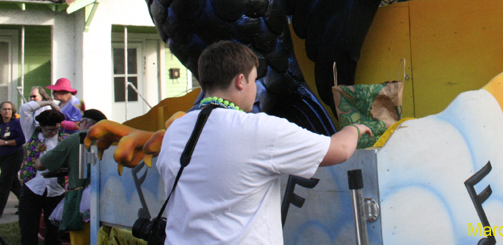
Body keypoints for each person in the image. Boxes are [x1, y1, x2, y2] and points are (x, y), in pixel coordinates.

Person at [156, 40, 372, 244]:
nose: (256, 89)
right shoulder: (257, 129)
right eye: (254, 80)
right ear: (241, 81)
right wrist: (353, 129)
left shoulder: (175, 131)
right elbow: (340, 149)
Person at [36, 109, 107, 245]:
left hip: (82, 200)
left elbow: (41, 164)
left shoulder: (76, 138)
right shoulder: (113, 138)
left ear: (84, 122)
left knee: (82, 239)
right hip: (111, 198)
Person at [18, 109, 67, 245]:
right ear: (41, 127)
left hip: (55, 189)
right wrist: (47, 103)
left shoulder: (64, 140)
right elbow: (25, 109)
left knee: (54, 232)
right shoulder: (31, 134)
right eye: (49, 130)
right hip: (32, 187)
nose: (53, 133)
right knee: (28, 230)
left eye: (56, 129)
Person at [0, 101, 25, 221]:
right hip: (3, 155)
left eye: (9, 109)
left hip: (15, 155)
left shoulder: (16, 123)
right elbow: (0, 139)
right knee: (13, 183)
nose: (7, 111)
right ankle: (26, 204)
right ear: (0, 111)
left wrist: (6, 142)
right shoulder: (1, 124)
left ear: (12, 111)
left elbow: (22, 139)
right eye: (4, 109)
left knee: (4, 182)